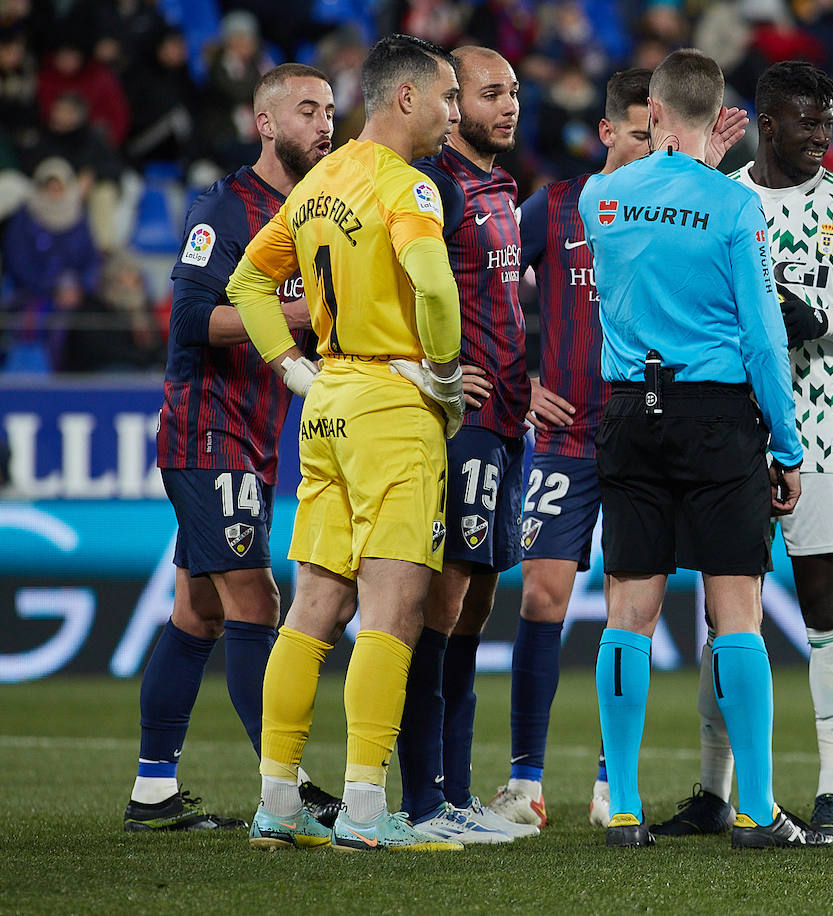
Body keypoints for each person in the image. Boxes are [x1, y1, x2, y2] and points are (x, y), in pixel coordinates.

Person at [649, 59, 833, 841]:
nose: (821, 134)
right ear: (767, 124)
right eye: (808, 121)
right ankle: (713, 790)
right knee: (726, 615)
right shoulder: (721, 198)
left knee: (827, 606)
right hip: (730, 434)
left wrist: (824, 320)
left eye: (829, 121)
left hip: (822, 434)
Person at [224, 33, 468, 853]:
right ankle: (365, 812)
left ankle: (277, 804)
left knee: (313, 610)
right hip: (393, 407)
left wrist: (292, 370)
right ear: (405, 97)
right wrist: (444, 375)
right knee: (393, 610)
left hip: (327, 403)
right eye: (447, 97)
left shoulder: (318, 182)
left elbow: (248, 283)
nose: (454, 113)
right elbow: (433, 285)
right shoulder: (408, 185)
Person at [581, 48, 830, 850]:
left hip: (630, 410)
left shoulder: (598, 198)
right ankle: (754, 809)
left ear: (652, 111)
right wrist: (786, 444)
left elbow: (655, 210)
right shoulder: (734, 206)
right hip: (716, 417)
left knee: (628, 612)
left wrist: (687, 164)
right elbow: (762, 336)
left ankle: (623, 809)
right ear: (718, 114)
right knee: (735, 610)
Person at [122, 63, 340, 834]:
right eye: (306, 110)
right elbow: (189, 319)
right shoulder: (225, 206)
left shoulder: (315, 210)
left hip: (253, 434)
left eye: (329, 109)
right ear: (265, 123)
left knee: (199, 612)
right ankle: (286, 790)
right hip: (207, 427)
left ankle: (153, 792)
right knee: (256, 599)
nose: (324, 123)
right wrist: (297, 314)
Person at [485, 67, 654, 830]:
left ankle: (614, 780)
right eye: (641, 136)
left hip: (643, 435)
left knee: (630, 609)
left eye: (663, 138)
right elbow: (487, 285)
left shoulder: (673, 211)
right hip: (565, 436)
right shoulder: (555, 206)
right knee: (541, 596)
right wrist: (517, 382)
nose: (653, 150)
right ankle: (525, 782)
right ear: (608, 131)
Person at [394, 45, 537, 845]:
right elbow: (391, 286)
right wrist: (431, 369)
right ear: (453, 109)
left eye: (513, 91)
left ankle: (454, 791)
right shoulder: (434, 187)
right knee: (442, 603)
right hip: (463, 422)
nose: (507, 105)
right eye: (490, 93)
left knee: (476, 604)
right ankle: (423, 801)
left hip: (508, 419)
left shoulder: (501, 186)